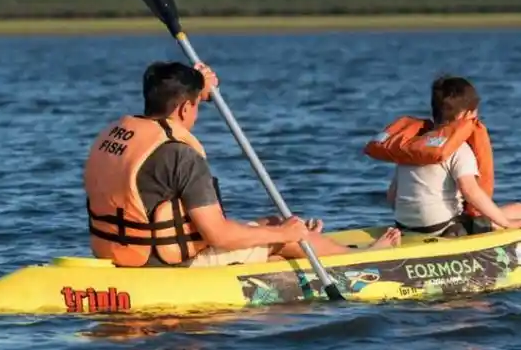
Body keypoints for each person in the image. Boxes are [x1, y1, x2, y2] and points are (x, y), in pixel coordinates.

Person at [83, 60, 400, 268]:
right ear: (183, 109)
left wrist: (198, 90)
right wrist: (285, 235)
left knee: (271, 223)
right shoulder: (180, 154)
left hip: (119, 252)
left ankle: (299, 236)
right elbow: (219, 236)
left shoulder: (119, 134)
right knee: (282, 237)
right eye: (196, 106)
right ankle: (362, 261)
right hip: (168, 264)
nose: (197, 112)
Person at [364, 75, 521, 238]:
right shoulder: (459, 149)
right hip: (446, 230)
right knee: (516, 209)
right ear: (465, 116)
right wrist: (507, 224)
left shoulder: (411, 147)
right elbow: (471, 192)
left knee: (505, 211)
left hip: (406, 227)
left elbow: (392, 196)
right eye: (475, 113)